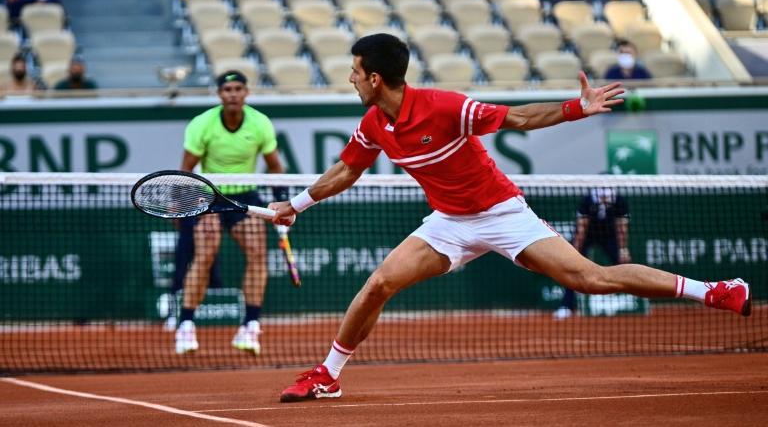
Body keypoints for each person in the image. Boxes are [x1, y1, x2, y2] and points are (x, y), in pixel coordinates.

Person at [267, 33, 752, 403]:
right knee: (378, 284)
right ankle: (327, 375)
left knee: (590, 278)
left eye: (355, 71)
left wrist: (574, 109)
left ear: (375, 78)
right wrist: (298, 204)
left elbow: (517, 118)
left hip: (502, 213)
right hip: (449, 222)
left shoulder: (445, 107)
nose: (351, 78)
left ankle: (713, 290)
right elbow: (347, 169)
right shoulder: (374, 121)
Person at [174, 70, 288, 355]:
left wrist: (282, 201)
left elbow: (275, 166)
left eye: (238, 89)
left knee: (258, 254)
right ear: (220, 95)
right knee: (205, 254)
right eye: (227, 90)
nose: (233, 94)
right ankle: (186, 325)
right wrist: (181, 204)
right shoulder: (202, 124)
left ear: (246, 93)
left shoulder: (260, 123)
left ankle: (250, 326)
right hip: (210, 196)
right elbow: (186, 169)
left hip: (245, 197)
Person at [553, 185, 631, 319]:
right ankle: (566, 306)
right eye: (602, 196)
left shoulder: (619, 200)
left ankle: (632, 301)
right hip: (588, 235)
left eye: (607, 195)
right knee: (572, 268)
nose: (605, 198)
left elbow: (621, 228)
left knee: (623, 264)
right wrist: (575, 252)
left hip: (609, 235)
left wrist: (623, 250)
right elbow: (581, 229)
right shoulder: (587, 200)